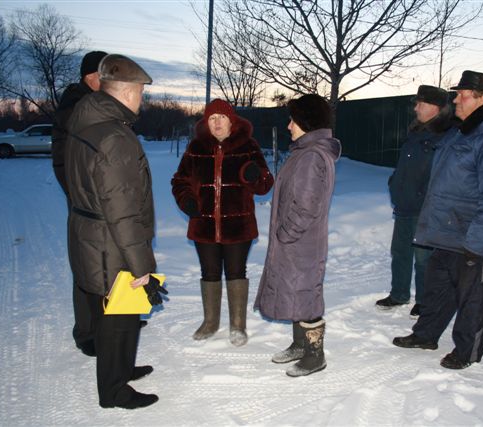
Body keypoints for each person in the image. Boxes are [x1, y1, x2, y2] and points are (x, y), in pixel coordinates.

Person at [393, 70, 483, 370]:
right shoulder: (459, 132)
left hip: (474, 236)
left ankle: (467, 351)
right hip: (447, 232)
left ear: (482, 98)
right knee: (438, 288)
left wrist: (477, 243)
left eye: (462, 94)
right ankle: (425, 335)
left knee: (472, 297)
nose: (455, 99)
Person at [65, 54, 166, 408]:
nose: (142, 99)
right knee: (119, 317)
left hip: (89, 234)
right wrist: (142, 268)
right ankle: (114, 390)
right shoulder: (115, 137)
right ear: (126, 93)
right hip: (111, 243)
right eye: (140, 92)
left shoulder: (85, 123)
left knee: (108, 314)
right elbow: (123, 211)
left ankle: (120, 370)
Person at [171, 99, 273, 347]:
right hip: (203, 225)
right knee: (210, 272)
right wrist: (187, 201)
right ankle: (211, 322)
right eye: (211, 118)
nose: (217, 122)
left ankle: (238, 326)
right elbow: (179, 180)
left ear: (232, 120)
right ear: (206, 122)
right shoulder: (196, 147)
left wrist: (254, 176)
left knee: (236, 272)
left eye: (222, 117)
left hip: (238, 226)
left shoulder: (248, 146)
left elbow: (265, 184)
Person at [254, 94, 341, 377]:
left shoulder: (311, 156)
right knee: (296, 292)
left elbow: (305, 206)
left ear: (306, 121)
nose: (289, 125)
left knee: (306, 295)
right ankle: (299, 344)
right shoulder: (305, 152)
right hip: (296, 243)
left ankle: (315, 355)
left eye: (293, 119)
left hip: (301, 243)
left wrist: (285, 233)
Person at [376, 85, 454, 318]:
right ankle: (399, 293)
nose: (416, 107)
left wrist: (424, 196)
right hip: (404, 204)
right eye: (416, 103)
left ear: (437, 108)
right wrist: (394, 184)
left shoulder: (445, 136)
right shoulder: (416, 133)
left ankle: (424, 300)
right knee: (399, 252)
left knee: (424, 258)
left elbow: (444, 175)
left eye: (421, 103)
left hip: (425, 208)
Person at [52, 50, 107, 357]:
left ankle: (113, 319)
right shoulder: (77, 106)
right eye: (106, 75)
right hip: (86, 199)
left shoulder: (91, 102)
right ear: (91, 77)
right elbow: (68, 159)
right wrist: (81, 195)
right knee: (88, 264)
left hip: (98, 196)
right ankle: (86, 332)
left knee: (110, 260)